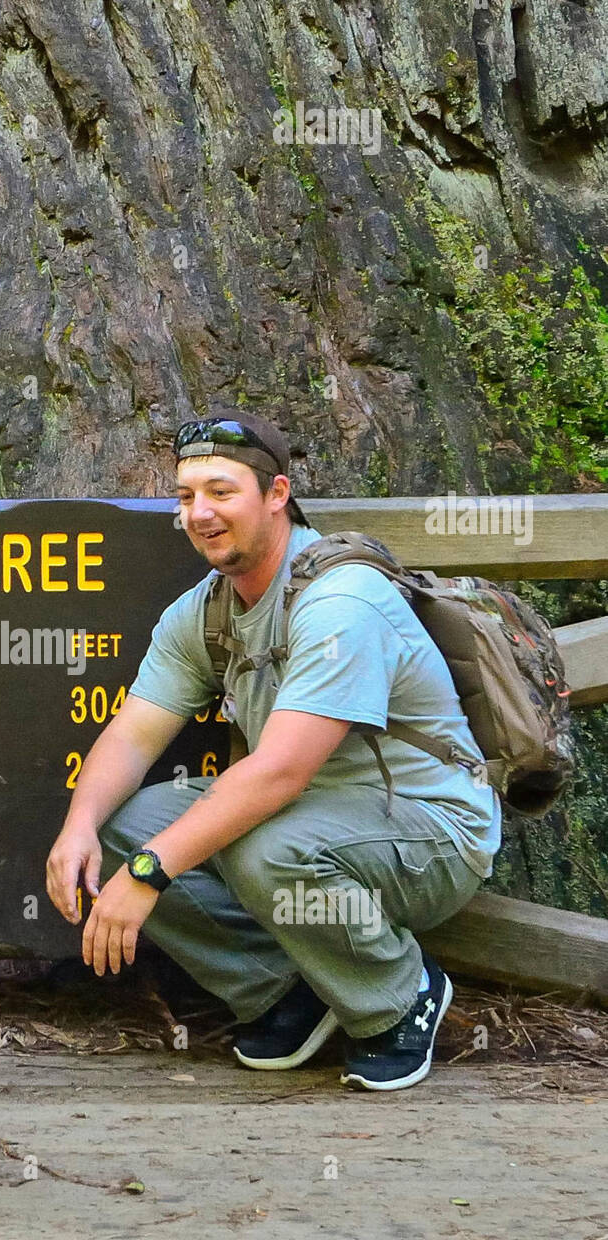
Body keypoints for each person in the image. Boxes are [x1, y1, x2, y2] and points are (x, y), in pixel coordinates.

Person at [47, 410, 501, 1092]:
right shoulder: (205, 610)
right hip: (314, 817)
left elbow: (279, 772)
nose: (199, 513)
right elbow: (134, 733)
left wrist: (145, 876)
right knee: (125, 824)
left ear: (276, 495)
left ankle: (397, 996)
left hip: (428, 829)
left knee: (261, 848)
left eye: (221, 492)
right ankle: (290, 991)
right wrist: (79, 828)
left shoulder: (339, 601)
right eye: (185, 495)